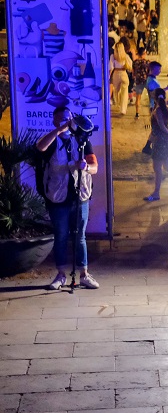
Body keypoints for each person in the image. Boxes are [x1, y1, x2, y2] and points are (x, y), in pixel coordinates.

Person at [35, 107, 100, 290]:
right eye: (62, 119)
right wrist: (58, 131)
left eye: (69, 118)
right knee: (61, 236)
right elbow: (40, 147)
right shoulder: (53, 140)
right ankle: (61, 275)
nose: (67, 121)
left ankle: (84, 274)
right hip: (58, 197)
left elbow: (95, 167)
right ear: (55, 122)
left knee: (80, 237)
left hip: (80, 196)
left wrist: (86, 167)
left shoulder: (82, 139)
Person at [143, 89, 168, 203]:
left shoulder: (157, 111)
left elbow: (160, 126)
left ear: (155, 98)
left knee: (158, 168)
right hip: (164, 141)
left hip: (160, 141)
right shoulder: (165, 109)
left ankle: (156, 192)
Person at [110, 41, 132, 116]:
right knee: (125, 92)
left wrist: (109, 76)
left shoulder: (113, 56)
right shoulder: (125, 56)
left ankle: (119, 105)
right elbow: (130, 66)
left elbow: (111, 67)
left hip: (116, 73)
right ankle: (123, 109)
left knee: (116, 91)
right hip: (123, 73)